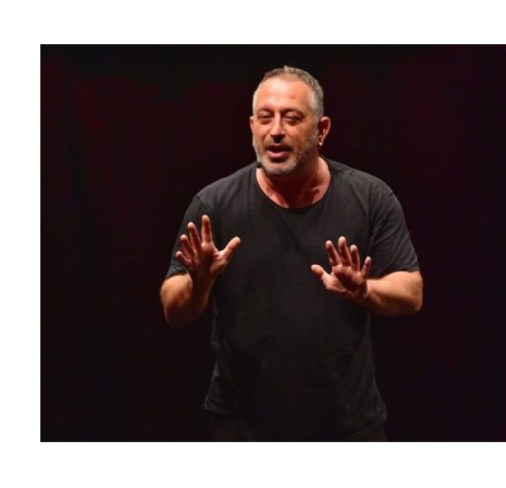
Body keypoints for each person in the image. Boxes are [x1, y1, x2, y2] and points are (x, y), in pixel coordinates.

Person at [160, 66, 422, 441]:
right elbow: (173, 309)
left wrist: (366, 291)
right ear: (252, 127)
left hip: (346, 425)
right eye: (265, 118)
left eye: (292, 118)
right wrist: (198, 284)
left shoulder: (369, 198)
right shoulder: (213, 205)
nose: (276, 130)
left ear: (322, 130)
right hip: (243, 427)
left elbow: (411, 294)